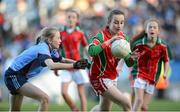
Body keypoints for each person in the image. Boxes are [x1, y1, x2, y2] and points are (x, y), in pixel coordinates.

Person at [3, 27, 89, 111]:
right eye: (58, 38)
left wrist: (79, 63)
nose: (60, 41)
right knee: (44, 99)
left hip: (17, 76)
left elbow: (63, 60)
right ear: (50, 40)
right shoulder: (43, 48)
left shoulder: (50, 49)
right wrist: (74, 65)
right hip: (14, 76)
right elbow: (51, 66)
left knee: (15, 110)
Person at [88, 9, 140, 111]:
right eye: (116, 22)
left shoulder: (124, 38)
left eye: (122, 22)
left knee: (104, 109)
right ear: (108, 22)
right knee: (126, 103)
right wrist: (109, 41)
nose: (119, 25)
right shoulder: (101, 36)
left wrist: (132, 58)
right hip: (99, 77)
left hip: (112, 76)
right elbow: (91, 51)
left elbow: (128, 63)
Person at [131, 18, 170, 111]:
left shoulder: (162, 47)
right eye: (150, 27)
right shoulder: (138, 44)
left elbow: (166, 60)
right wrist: (131, 57)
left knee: (144, 107)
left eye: (154, 27)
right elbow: (130, 58)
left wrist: (165, 73)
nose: (152, 29)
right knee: (139, 100)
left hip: (152, 78)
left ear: (158, 30)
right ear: (146, 30)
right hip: (139, 75)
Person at [57, 9, 90, 111]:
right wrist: (56, 65)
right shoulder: (60, 32)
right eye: (69, 17)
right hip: (66, 66)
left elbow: (86, 47)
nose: (71, 19)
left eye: (73, 17)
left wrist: (91, 60)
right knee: (63, 92)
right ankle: (75, 109)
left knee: (81, 92)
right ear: (65, 18)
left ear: (77, 20)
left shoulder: (80, 32)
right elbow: (57, 49)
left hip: (78, 65)